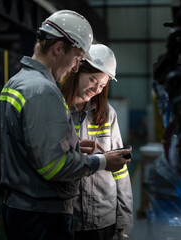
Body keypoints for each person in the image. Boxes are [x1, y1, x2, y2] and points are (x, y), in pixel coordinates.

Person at [0, 10, 131, 240]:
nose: (76, 67)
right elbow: (54, 167)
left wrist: (74, 146)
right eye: (77, 58)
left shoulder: (15, 84)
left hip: (22, 208)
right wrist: (102, 161)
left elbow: (30, 147)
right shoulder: (44, 91)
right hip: (42, 216)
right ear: (58, 48)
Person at [59, 44, 133, 240]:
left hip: (103, 217)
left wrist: (123, 217)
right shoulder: (57, 109)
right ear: (77, 70)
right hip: (68, 216)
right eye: (93, 80)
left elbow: (121, 168)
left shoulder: (107, 114)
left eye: (102, 85)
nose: (96, 90)